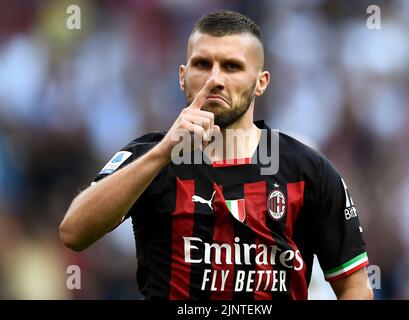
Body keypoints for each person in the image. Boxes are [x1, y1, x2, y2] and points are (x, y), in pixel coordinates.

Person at [59, 10, 373, 300]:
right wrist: (165, 152)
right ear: (182, 76)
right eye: (202, 64)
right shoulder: (149, 157)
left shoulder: (307, 171)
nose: (215, 80)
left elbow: (355, 286)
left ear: (260, 82)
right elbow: (74, 232)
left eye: (232, 67)